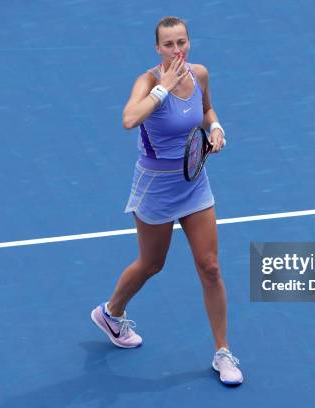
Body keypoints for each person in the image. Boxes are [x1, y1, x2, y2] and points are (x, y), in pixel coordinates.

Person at [90, 16, 243, 386]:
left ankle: (223, 352)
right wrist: (163, 89)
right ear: (157, 48)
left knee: (210, 267)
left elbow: (206, 111)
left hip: (193, 182)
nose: (177, 50)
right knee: (151, 264)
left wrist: (217, 128)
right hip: (155, 187)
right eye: (169, 44)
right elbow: (129, 119)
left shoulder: (200, 73)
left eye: (182, 43)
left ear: (189, 43)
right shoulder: (147, 81)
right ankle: (111, 313)